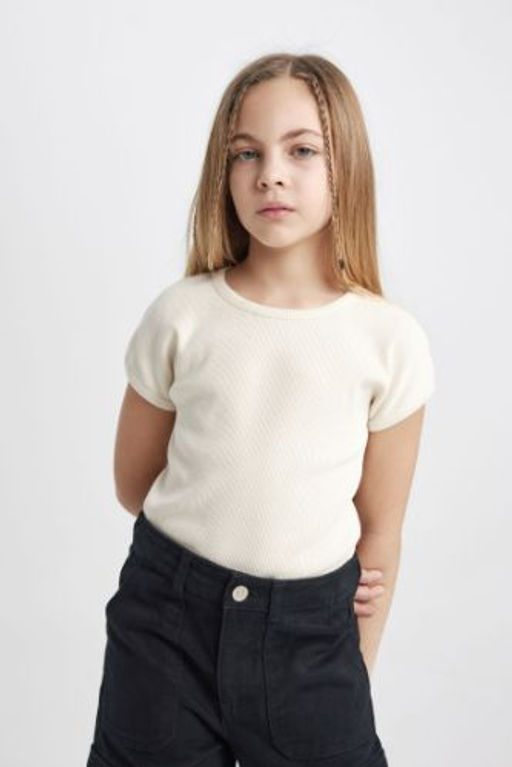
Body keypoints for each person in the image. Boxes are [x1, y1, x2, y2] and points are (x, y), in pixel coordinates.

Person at [86, 52, 435, 767]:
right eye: (246, 153)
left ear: (346, 167)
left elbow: (380, 532)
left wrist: (354, 667)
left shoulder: (388, 340)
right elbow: (134, 483)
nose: (270, 173)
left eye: (302, 150)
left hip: (311, 647)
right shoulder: (182, 315)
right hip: (165, 631)